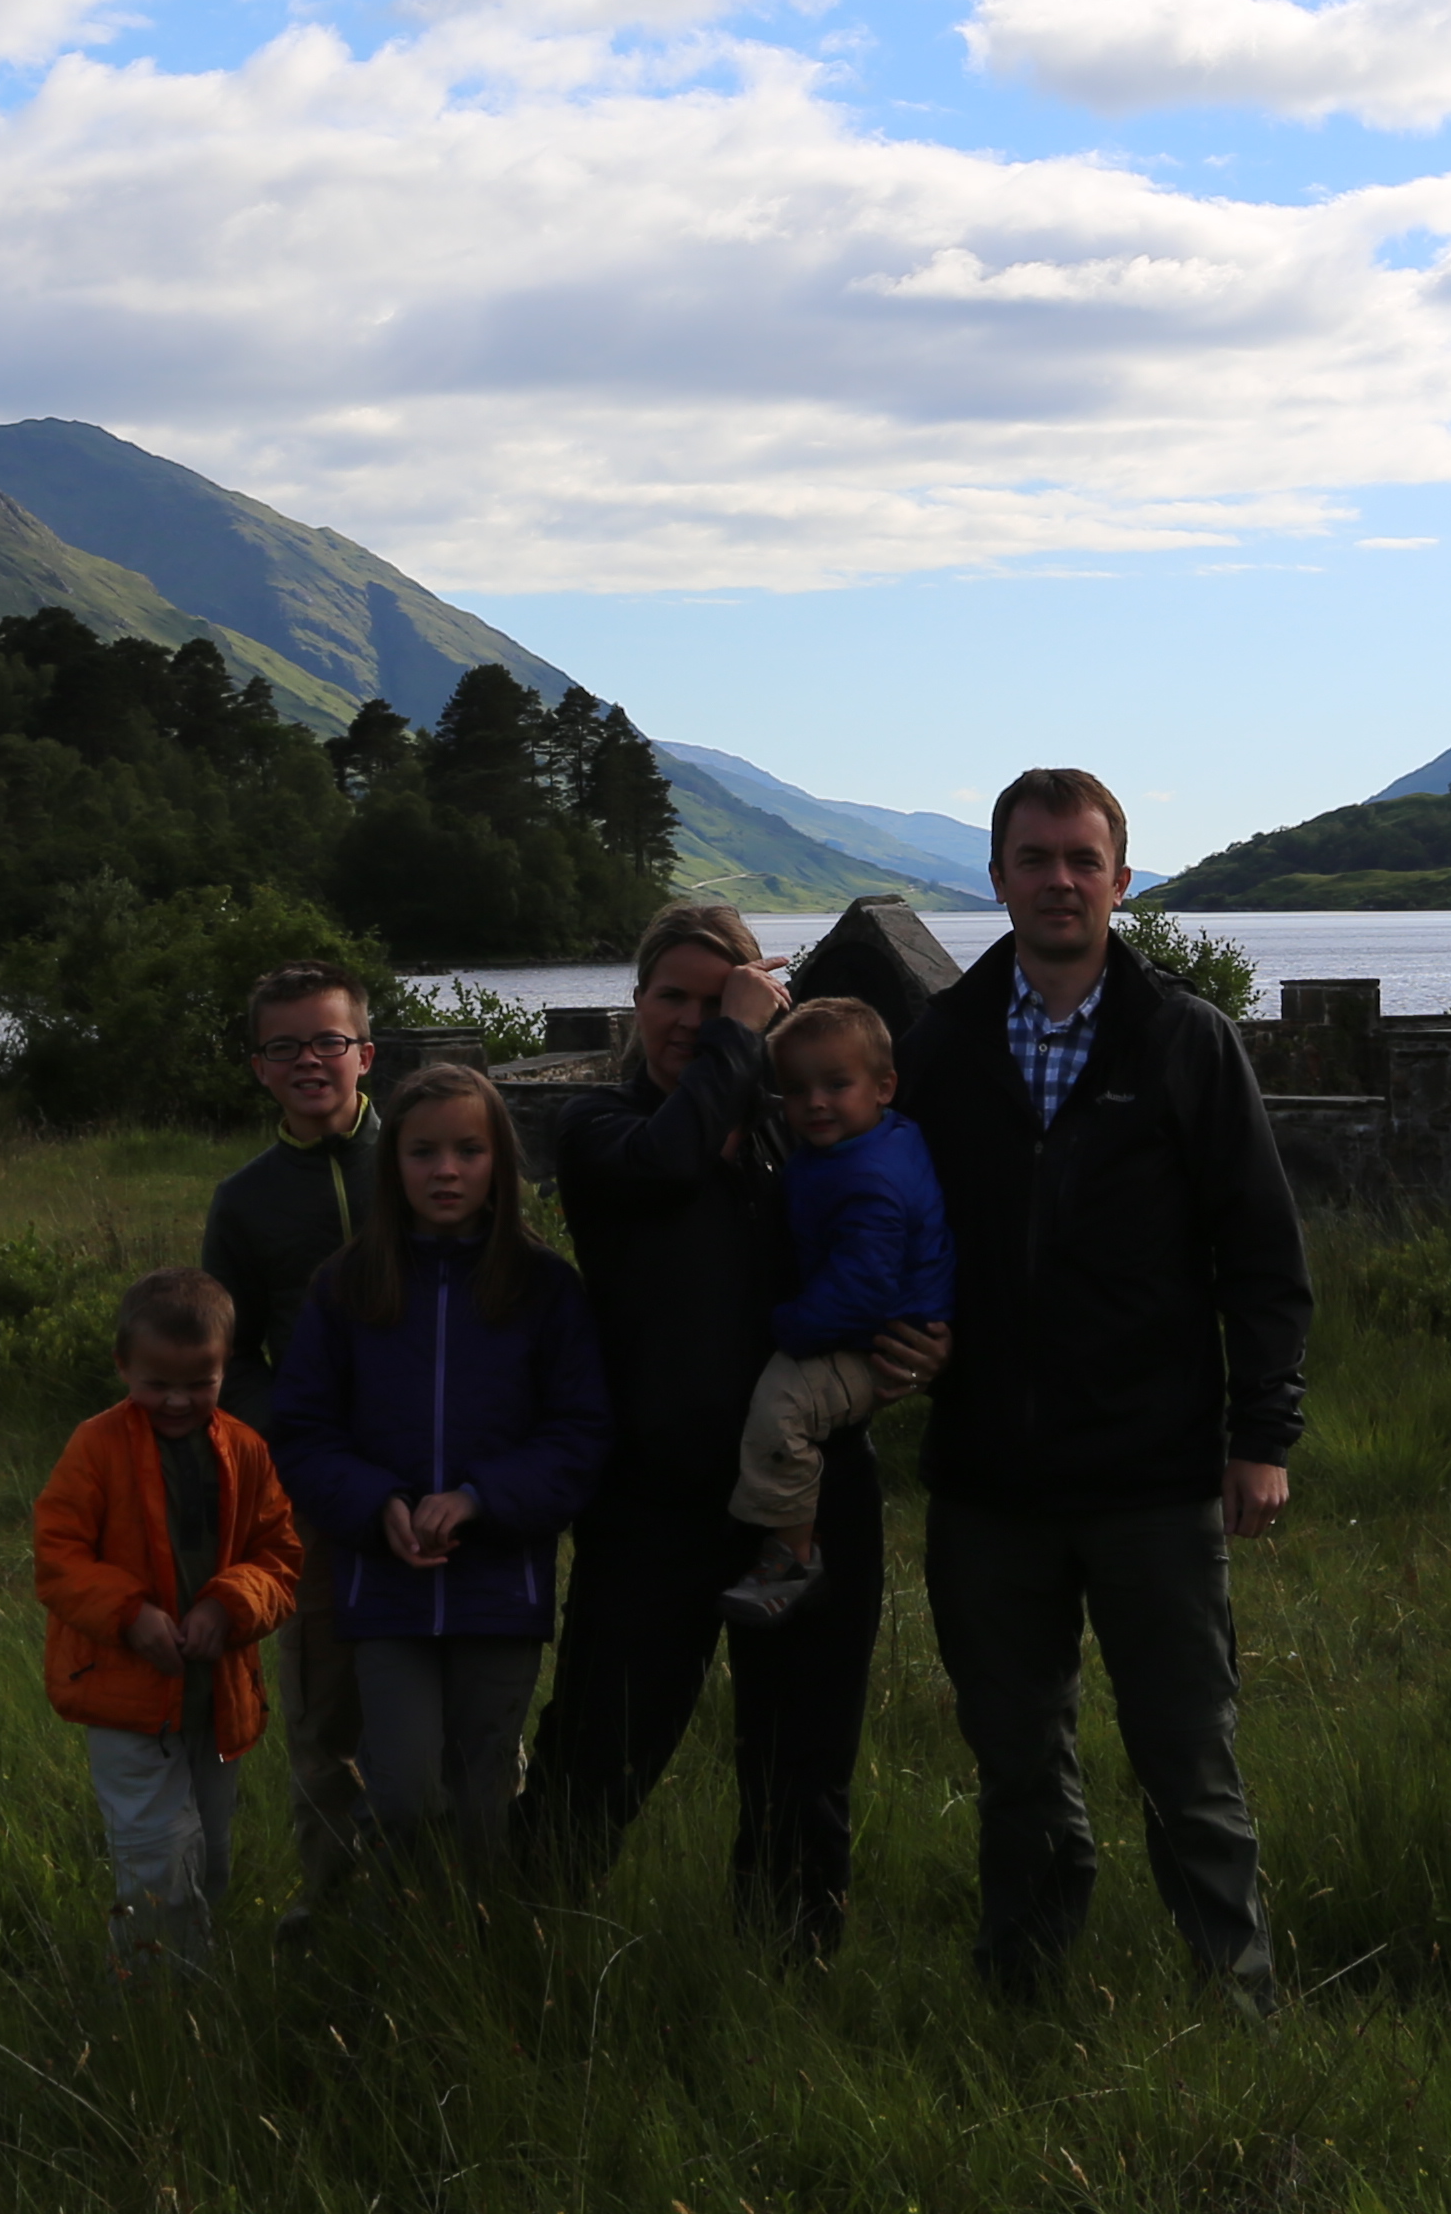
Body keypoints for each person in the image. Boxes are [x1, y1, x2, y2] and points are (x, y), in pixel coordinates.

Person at [905, 766, 1312, 2007]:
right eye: (1036, 859)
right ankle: (1021, 1992)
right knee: (1018, 1762)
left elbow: (1261, 1253)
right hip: (988, 1482)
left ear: (1122, 882)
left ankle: (1234, 2002)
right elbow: (890, 1227)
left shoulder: (1185, 1042)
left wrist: (1263, 1435)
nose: (1060, 881)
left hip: (1152, 1474)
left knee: (1189, 1759)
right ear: (998, 880)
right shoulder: (940, 1048)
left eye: (1084, 860)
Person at [519, 902, 942, 1949]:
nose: (695, 1020)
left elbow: (896, 1221)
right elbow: (669, 1160)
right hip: (654, 1505)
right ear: (637, 1002)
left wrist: (923, 1340)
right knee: (596, 1756)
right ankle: (514, 1956)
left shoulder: (790, 1138)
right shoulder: (600, 1132)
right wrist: (740, 1036)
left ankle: (784, 1979)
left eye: (722, 1001)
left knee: (802, 1769)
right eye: (677, 997)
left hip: (810, 1500)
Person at [262, 1060, 609, 1888]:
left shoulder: (544, 1288)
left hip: (501, 1583)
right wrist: (375, 1504)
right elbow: (304, 1431)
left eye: (468, 1150)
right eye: (422, 1153)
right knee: (406, 1792)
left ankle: (483, 1958)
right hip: (384, 1589)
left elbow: (579, 1433)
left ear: (501, 1162)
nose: (445, 1170)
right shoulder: (348, 1286)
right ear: (394, 1166)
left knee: (485, 1794)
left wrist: (481, 1500)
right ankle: (390, 1955)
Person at [29, 1266, 303, 1978]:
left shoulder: (245, 1449)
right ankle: (151, 1999)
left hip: (218, 1698)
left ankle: (197, 1985)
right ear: (123, 1364)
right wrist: (129, 1615)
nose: (178, 1400)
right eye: (157, 1383)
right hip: (125, 1693)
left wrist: (227, 1604)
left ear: (225, 1367)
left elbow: (279, 1556)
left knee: (210, 1852)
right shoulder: (95, 1448)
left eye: (200, 1382)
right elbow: (57, 1556)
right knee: (157, 1854)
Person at [195, 961, 375, 1911]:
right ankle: (333, 1908)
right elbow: (227, 1359)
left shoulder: (428, 1154)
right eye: (285, 1046)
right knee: (322, 1709)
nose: (310, 1060)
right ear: (259, 1068)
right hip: (309, 1494)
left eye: (328, 1041)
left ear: (365, 1054)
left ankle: (463, 1903)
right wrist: (300, 1439)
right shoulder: (246, 1198)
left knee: (450, 1695)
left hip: (440, 1475)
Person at [717, 994, 951, 1628]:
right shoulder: (860, 1145)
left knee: (781, 1408)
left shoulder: (867, 1179)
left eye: (836, 1085)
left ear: (884, 1087)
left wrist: (787, 1327)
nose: (814, 1102)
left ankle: (792, 1557)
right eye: (795, 1089)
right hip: (876, 1323)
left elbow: (862, 1289)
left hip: (878, 1338)